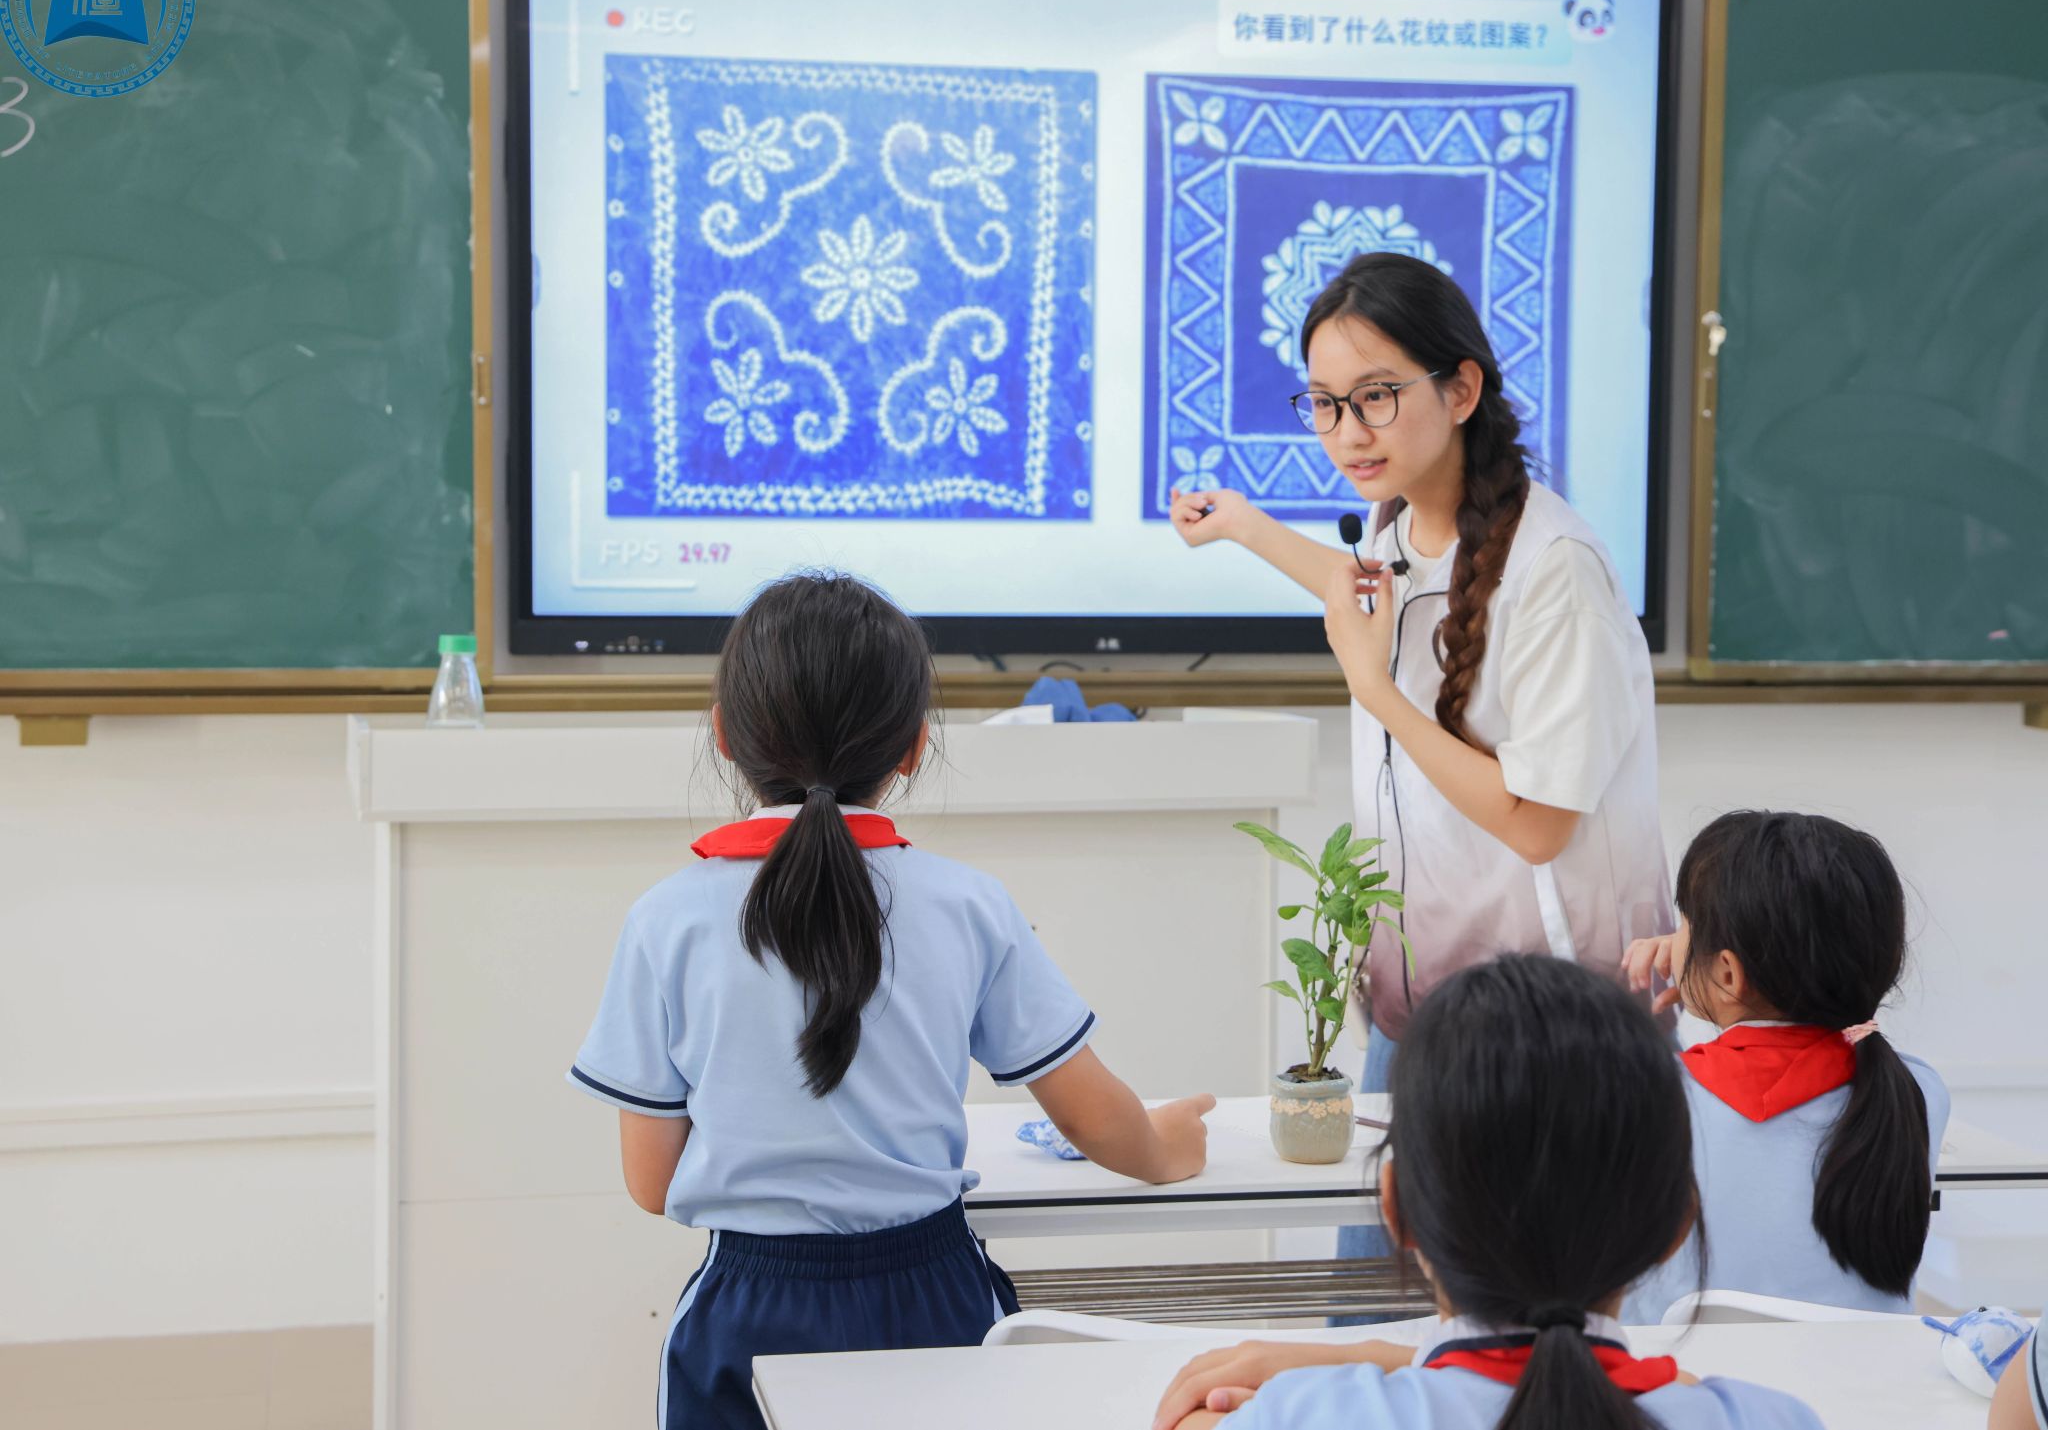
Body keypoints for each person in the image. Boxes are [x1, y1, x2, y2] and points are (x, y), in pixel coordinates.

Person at [567, 572, 1214, 1430]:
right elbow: (1097, 1118)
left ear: (723, 735)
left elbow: (651, 1183)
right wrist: (1167, 1148)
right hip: (937, 1298)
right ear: (913, 747)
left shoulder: (666, 918)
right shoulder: (970, 903)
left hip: (745, 1314)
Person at [1172, 251, 1670, 1273]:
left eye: (1376, 397)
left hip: (1549, 1030)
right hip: (1422, 1010)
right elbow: (1372, 590)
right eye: (1324, 404)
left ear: (1460, 388)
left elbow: (1538, 823)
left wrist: (1378, 694)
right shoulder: (1402, 522)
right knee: (1376, 1302)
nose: (1347, 432)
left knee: (1516, 1321)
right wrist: (1246, 527)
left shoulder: (1555, 570)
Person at [1150, 954, 1823, 1430]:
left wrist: (1361, 1360)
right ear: (1678, 1222)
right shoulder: (1774, 1419)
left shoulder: (1297, 1415)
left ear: (1397, 1209)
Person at [1623, 810, 1949, 1321]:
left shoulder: (1646, 1093)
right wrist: (1707, 969)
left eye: (1684, 922)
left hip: (1683, 1368)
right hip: (1866, 1371)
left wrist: (1695, 979)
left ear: (1728, 972)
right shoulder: (1918, 1090)